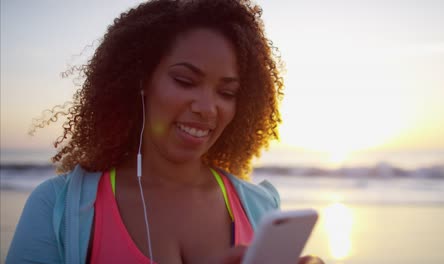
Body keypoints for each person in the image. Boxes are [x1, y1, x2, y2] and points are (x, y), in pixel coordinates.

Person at [6, 0, 323, 263]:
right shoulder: (58, 209)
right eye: (185, 81)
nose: (207, 107)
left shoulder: (260, 206)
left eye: (227, 93)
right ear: (142, 79)